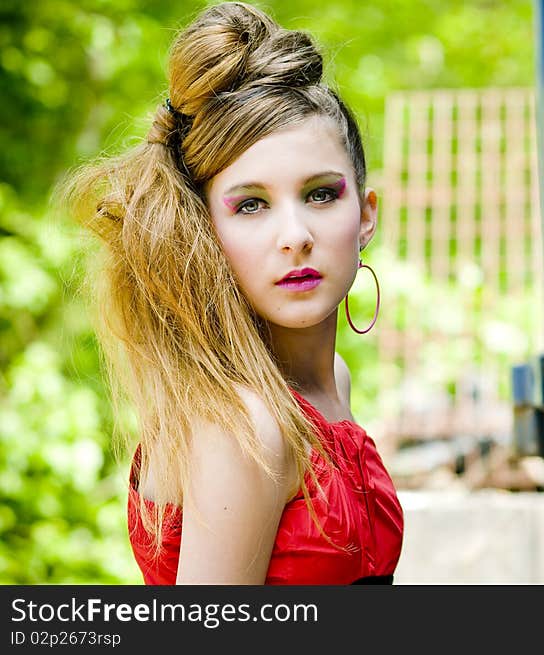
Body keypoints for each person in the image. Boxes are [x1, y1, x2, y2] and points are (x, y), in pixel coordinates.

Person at [63, 1, 404, 584]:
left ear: (365, 215)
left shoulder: (332, 381)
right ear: (209, 233)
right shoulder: (245, 428)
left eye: (321, 194)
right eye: (251, 205)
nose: (294, 236)